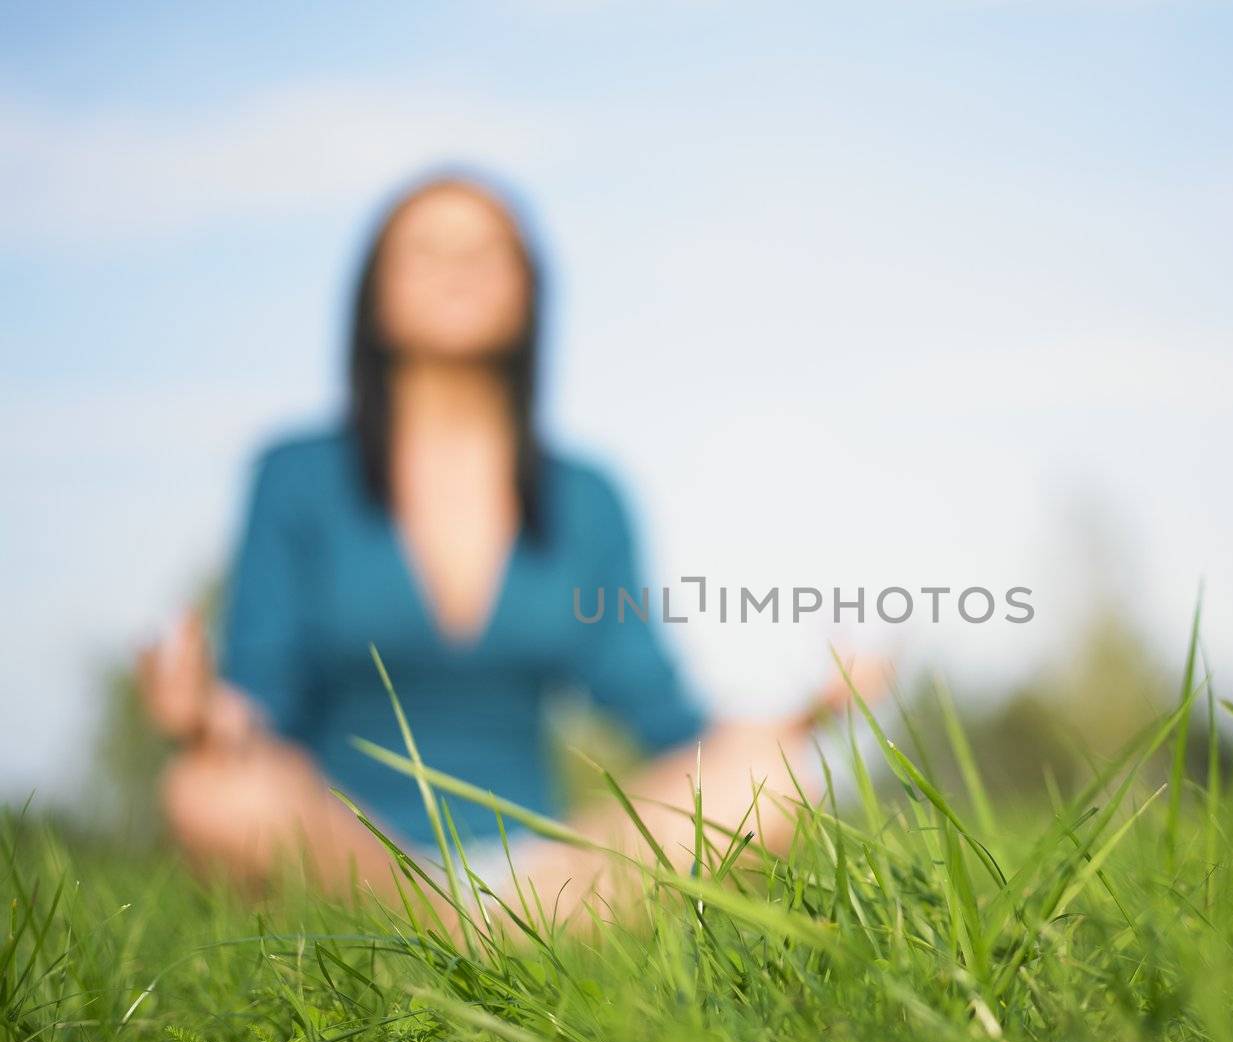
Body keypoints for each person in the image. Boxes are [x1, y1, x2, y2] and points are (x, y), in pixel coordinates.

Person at [137, 172, 861, 931]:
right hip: (352, 856)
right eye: (426, 249)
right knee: (208, 791)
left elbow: (660, 709)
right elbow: (263, 692)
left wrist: (806, 717)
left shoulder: (588, 494)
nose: (458, 266)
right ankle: (473, 934)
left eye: (488, 251)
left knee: (773, 786)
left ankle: (477, 934)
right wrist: (201, 719)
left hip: (546, 868)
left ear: (529, 290)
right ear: (374, 294)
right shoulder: (296, 476)